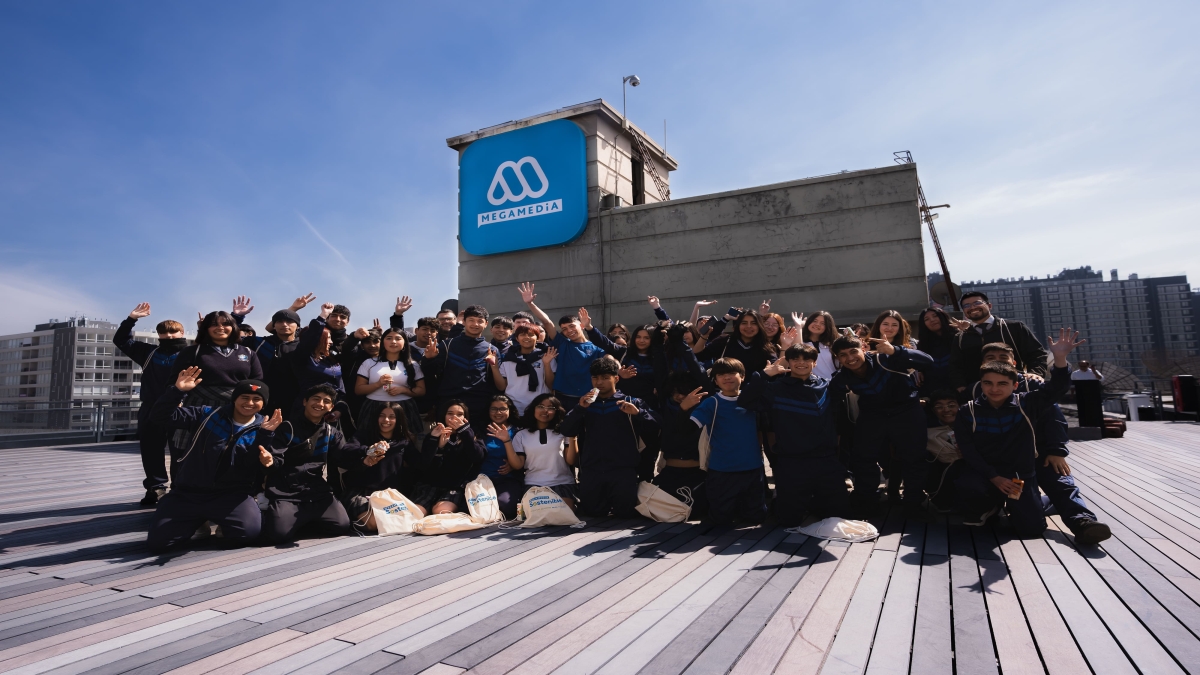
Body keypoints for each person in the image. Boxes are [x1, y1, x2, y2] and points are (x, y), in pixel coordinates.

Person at [953, 329, 1082, 538]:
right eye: (988, 383)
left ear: (1015, 385)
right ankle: (991, 506)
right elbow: (968, 448)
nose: (994, 389)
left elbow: (1057, 389)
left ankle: (1041, 503)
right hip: (987, 472)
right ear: (981, 382)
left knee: (1030, 529)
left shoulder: (1028, 402)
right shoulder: (968, 409)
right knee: (969, 486)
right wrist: (993, 477)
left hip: (1019, 475)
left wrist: (1059, 359)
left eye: (1002, 384)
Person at [979, 343, 1111, 546]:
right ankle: (1042, 504)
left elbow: (1054, 417)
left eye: (1003, 357)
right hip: (1008, 463)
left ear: (1014, 363)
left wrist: (1057, 450)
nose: (997, 359)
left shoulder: (1032, 385)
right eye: (991, 356)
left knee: (1060, 483)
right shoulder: (980, 389)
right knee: (1027, 526)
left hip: (1040, 452)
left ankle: (1083, 522)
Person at [146, 370, 282, 551]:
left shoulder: (265, 428)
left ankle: (219, 522)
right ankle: (196, 522)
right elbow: (159, 417)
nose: (249, 403)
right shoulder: (206, 415)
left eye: (256, 399)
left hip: (231, 496)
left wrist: (266, 444)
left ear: (264, 403)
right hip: (188, 493)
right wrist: (177, 391)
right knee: (158, 543)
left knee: (247, 534)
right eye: (244, 397)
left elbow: (252, 465)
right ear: (234, 398)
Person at [740, 344, 849, 525]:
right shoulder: (776, 388)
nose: (801, 363)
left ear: (814, 363)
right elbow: (745, 401)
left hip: (826, 459)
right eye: (795, 359)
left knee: (839, 514)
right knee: (788, 519)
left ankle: (814, 503)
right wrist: (764, 375)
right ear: (788, 362)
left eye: (806, 359)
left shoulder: (826, 386)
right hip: (792, 460)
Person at [830, 334, 934, 517]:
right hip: (873, 415)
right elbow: (829, 398)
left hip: (906, 412)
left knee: (914, 458)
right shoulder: (842, 377)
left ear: (863, 348)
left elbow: (927, 361)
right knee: (863, 458)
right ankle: (868, 500)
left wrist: (896, 350)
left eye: (853, 351)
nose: (850, 358)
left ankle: (913, 502)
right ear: (838, 358)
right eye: (843, 355)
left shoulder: (885, 359)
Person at [559, 357, 659, 518]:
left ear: (616, 378)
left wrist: (639, 414)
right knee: (592, 514)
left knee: (624, 515)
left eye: (605, 377)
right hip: (591, 471)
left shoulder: (631, 402)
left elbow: (656, 428)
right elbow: (566, 430)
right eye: (595, 377)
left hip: (623, 471)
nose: (599, 382)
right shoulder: (585, 404)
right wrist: (579, 409)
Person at [114, 302, 190, 507]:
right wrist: (131, 319)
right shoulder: (148, 353)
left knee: (180, 451)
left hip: (182, 409)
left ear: (183, 332)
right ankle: (156, 488)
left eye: (174, 333)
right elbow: (120, 340)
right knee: (151, 450)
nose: (170, 336)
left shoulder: (191, 353)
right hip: (151, 408)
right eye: (164, 333)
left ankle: (179, 489)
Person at [260, 384, 354, 543]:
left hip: (316, 491)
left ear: (331, 407)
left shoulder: (331, 432)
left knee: (341, 525)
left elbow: (343, 458)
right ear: (305, 401)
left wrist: (366, 456)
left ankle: (300, 521)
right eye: (316, 399)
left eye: (326, 401)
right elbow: (275, 459)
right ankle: (275, 514)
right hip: (287, 492)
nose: (320, 404)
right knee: (278, 534)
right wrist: (269, 461)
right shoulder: (287, 427)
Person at [690, 357, 766, 524]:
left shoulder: (752, 401)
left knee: (755, 518)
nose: (727, 377)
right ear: (715, 379)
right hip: (722, 469)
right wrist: (683, 408)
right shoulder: (712, 402)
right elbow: (688, 428)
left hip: (753, 468)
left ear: (743, 376)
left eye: (732, 373)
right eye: (721, 374)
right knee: (720, 519)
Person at [518, 282, 609, 410]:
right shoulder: (562, 343)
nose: (569, 330)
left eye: (572, 326)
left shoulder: (597, 347)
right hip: (563, 397)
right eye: (564, 329)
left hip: (589, 397)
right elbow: (547, 322)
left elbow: (611, 361)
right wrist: (530, 303)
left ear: (581, 326)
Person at [340, 401, 420, 530]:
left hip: (390, 494)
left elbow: (419, 464)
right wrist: (369, 450)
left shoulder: (403, 441)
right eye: (382, 415)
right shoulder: (364, 435)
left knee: (405, 519)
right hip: (362, 492)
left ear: (398, 419)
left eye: (392, 416)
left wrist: (434, 442)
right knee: (375, 523)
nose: (386, 420)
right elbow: (346, 451)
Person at [422, 305, 499, 435]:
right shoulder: (447, 345)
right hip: (448, 405)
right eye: (471, 320)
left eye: (480, 321)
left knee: (475, 446)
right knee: (446, 447)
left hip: (478, 407)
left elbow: (496, 382)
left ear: (486, 324)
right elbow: (430, 376)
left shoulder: (492, 349)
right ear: (464, 322)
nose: (475, 324)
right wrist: (428, 359)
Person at [950, 291, 1048, 391]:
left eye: (977, 303)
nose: (972, 307)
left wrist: (1035, 373)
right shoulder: (960, 337)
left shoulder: (1014, 328)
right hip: (979, 392)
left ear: (989, 305)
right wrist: (961, 387)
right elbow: (956, 366)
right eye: (967, 305)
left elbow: (1037, 353)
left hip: (1016, 387)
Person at [171, 311, 263, 407]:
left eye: (225, 324)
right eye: (214, 324)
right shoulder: (192, 351)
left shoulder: (248, 352)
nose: (220, 327)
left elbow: (257, 382)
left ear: (233, 327)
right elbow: (174, 381)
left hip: (237, 407)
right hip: (198, 406)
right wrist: (176, 400)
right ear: (206, 328)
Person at [505, 394, 579, 509]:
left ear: (556, 412)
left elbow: (570, 460)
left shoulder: (563, 432)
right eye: (540, 406)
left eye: (550, 408)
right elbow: (518, 465)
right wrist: (506, 441)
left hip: (562, 483)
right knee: (539, 513)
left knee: (563, 513)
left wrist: (573, 437)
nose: (545, 411)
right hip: (534, 484)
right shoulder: (521, 435)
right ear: (533, 409)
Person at [412, 401, 486, 514]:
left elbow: (477, 457)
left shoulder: (472, 435)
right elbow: (425, 466)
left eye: (460, 414)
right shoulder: (434, 434)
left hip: (455, 487)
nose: (454, 417)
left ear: (465, 418)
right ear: (444, 415)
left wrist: (464, 431)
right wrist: (438, 447)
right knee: (414, 512)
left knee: (440, 511)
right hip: (431, 485)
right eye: (450, 413)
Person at [653, 374, 708, 518]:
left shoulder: (704, 410)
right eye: (674, 393)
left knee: (698, 511)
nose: (678, 396)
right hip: (670, 472)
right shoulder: (665, 409)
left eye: (682, 392)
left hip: (698, 473)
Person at [355, 327, 425, 439]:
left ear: (405, 343)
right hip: (374, 406)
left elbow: (421, 390)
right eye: (389, 338)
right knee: (370, 442)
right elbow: (358, 390)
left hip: (404, 407)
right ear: (383, 342)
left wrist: (404, 390)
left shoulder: (413, 365)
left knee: (406, 443)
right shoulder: (369, 363)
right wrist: (378, 384)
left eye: (398, 338)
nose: (393, 342)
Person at [490, 324, 558, 416]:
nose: (526, 337)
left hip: (540, 407)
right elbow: (502, 387)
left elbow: (551, 385)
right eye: (522, 334)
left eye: (531, 334)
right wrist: (494, 367)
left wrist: (546, 364)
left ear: (537, 338)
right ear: (517, 338)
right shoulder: (509, 358)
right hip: (514, 407)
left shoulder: (546, 357)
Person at [693, 309, 778, 375]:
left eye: (753, 323)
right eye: (744, 323)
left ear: (759, 326)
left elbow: (777, 369)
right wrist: (704, 336)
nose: (749, 326)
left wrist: (785, 347)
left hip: (753, 393)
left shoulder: (766, 347)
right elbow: (699, 355)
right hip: (723, 392)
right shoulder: (725, 341)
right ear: (737, 325)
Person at [480, 395, 524, 519]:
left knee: (507, 507)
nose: (498, 412)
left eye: (503, 409)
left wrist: (513, 464)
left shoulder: (518, 431)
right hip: (482, 479)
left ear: (510, 410)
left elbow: (527, 457)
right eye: (493, 409)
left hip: (508, 479)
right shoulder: (480, 430)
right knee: (472, 508)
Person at [924, 390, 963, 513]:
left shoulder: (971, 424)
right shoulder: (928, 429)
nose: (946, 410)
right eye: (939, 407)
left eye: (951, 405)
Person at [915, 307, 959, 396]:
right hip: (932, 390)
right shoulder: (923, 344)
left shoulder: (958, 337)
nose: (932, 320)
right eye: (926, 319)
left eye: (935, 316)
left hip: (957, 387)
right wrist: (918, 370)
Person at [800, 310, 839, 380]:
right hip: (813, 386)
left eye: (823, 323)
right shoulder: (800, 342)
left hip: (835, 384)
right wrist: (798, 327)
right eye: (814, 321)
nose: (817, 324)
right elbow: (797, 351)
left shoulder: (833, 344)